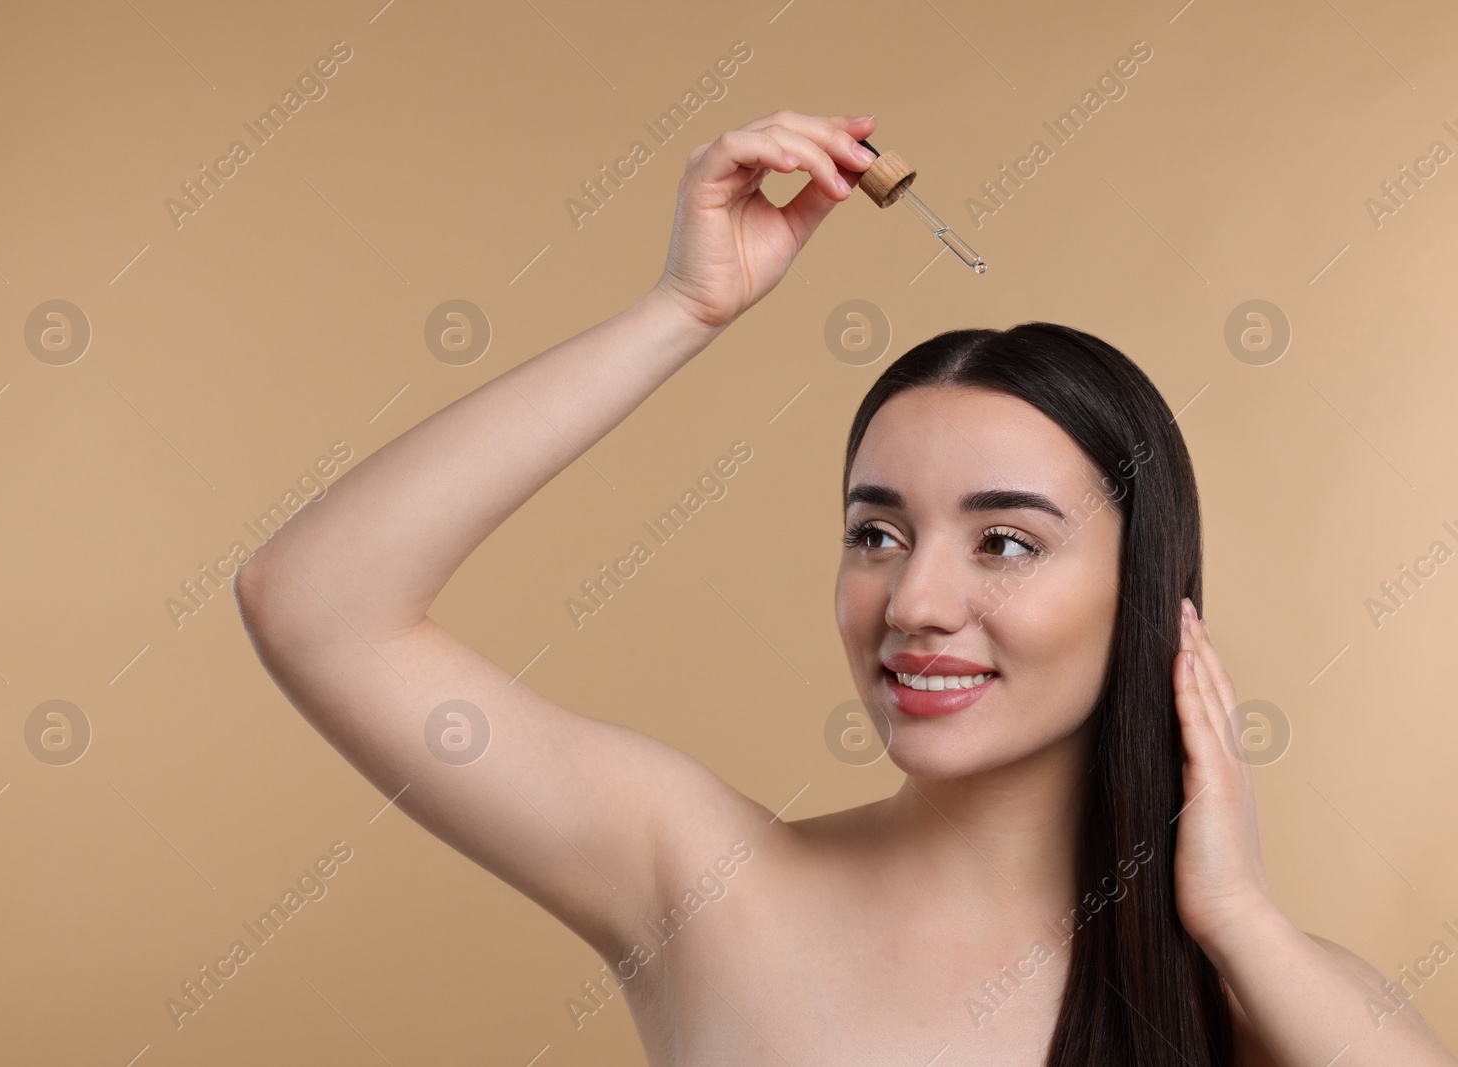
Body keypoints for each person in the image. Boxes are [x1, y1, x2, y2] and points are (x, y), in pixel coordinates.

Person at [231, 110, 1455, 1066]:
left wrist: (1238, 920)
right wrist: (683, 309)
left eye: (1006, 542)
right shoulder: (702, 882)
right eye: (876, 533)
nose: (915, 600)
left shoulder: (1248, 980)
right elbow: (317, 602)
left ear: (1142, 592)